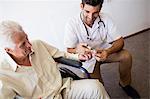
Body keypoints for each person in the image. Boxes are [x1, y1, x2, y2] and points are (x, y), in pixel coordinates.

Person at [0, 20, 110, 99]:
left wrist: (78, 56)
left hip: (63, 88)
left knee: (96, 87)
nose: (29, 44)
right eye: (22, 44)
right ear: (8, 50)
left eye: (27, 38)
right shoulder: (3, 75)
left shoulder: (38, 44)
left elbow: (61, 55)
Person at [64, 0, 140, 98]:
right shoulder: (71, 23)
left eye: (95, 13)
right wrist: (77, 49)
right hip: (88, 59)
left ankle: (125, 84)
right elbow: (69, 49)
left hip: (104, 51)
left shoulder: (105, 18)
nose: (91, 17)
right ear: (81, 6)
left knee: (126, 56)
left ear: (100, 9)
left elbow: (120, 41)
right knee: (98, 88)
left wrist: (107, 52)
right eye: (87, 12)